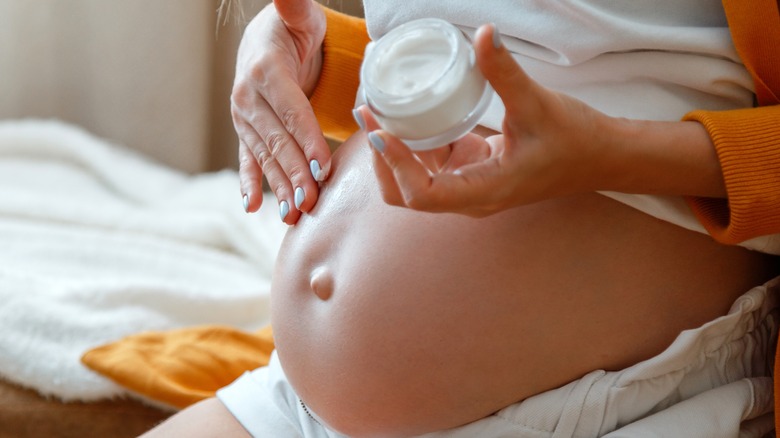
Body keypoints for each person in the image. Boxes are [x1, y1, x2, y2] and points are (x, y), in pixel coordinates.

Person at [144, 0, 780, 436]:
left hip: (603, 400)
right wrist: (315, 60)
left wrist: (611, 153)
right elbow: (479, 52)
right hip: (308, 400)